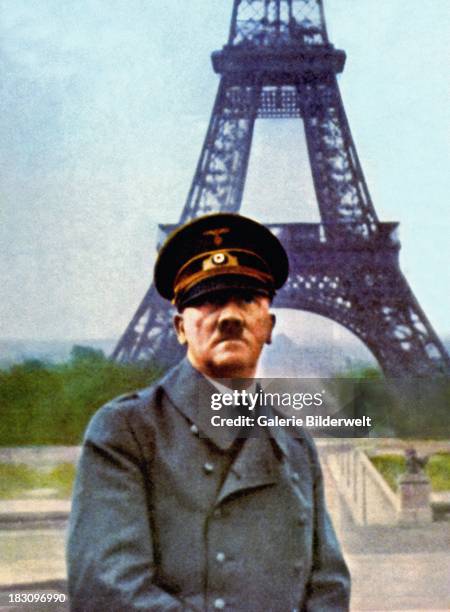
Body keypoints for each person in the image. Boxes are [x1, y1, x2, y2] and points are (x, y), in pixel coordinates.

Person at [67, 213, 350, 611]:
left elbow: (328, 585)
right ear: (181, 327)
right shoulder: (125, 431)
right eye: (209, 300)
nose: (230, 316)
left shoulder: (296, 443)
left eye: (247, 299)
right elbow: (108, 587)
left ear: (268, 326)